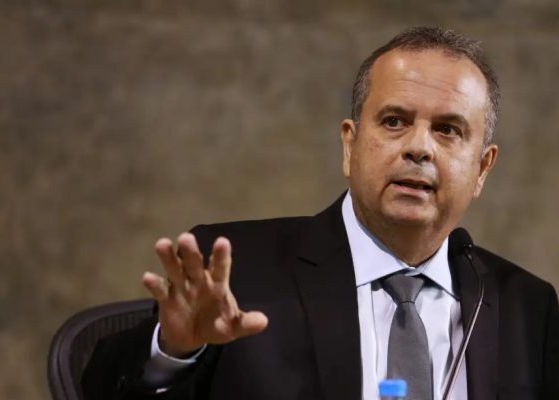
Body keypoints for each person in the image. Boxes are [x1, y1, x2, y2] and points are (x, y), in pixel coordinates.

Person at [81, 27, 559, 400]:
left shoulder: (526, 307)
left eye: (448, 130)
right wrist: (173, 353)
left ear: (482, 168)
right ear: (350, 145)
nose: (419, 148)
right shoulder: (236, 272)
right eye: (394, 121)